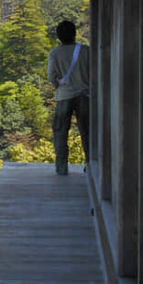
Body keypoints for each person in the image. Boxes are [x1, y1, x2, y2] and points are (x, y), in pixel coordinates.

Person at [47, 20, 90, 175]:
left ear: (59, 37)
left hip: (63, 96)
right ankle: (91, 165)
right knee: (87, 131)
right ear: (74, 34)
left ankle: (61, 167)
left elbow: (51, 76)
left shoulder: (55, 53)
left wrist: (59, 87)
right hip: (84, 95)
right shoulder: (86, 51)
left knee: (60, 131)